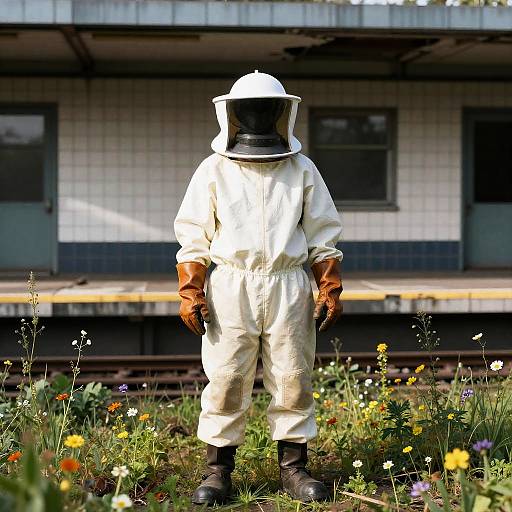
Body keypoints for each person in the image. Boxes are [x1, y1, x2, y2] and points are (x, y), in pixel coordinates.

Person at [174, 70, 343, 505]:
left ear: (281, 113)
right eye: (249, 108)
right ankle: (217, 472)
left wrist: (329, 285)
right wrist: (190, 289)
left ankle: (293, 470)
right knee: (227, 376)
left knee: (293, 377)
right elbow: (193, 234)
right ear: (231, 114)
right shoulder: (213, 169)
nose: (257, 115)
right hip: (231, 284)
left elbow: (323, 232)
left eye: (265, 108)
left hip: (289, 284)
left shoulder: (301, 168)